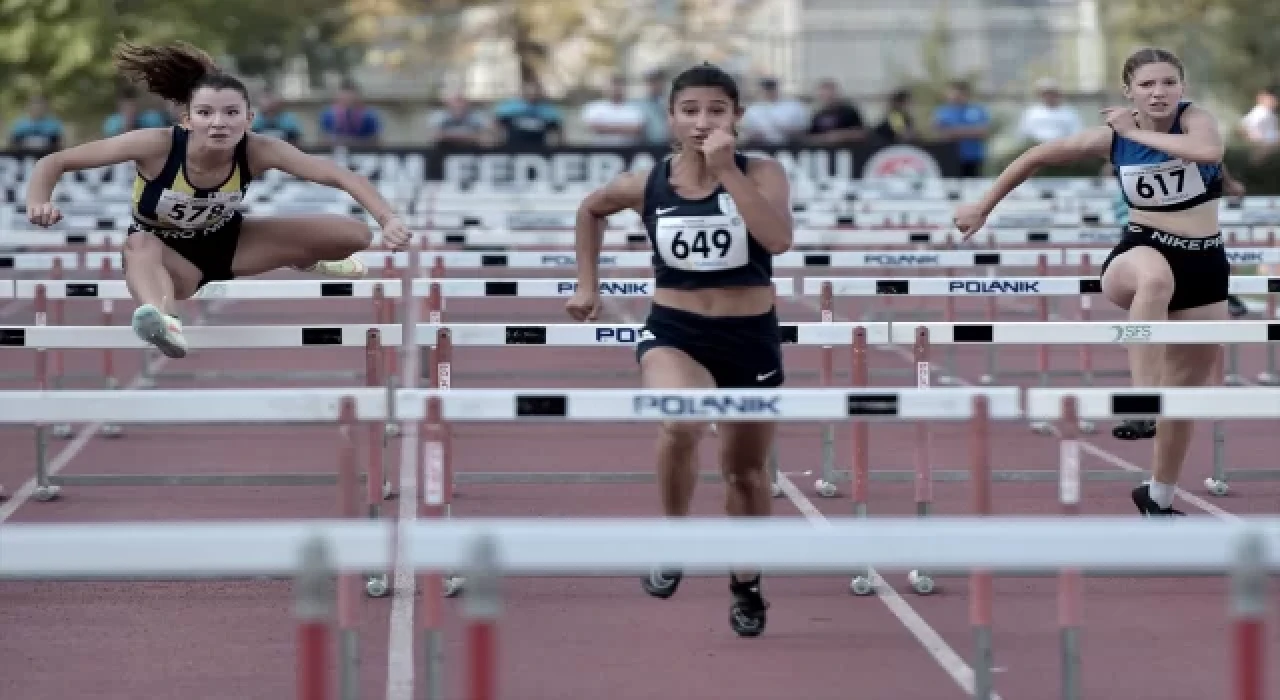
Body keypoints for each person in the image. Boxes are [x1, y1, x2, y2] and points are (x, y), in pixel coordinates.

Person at [565, 63, 793, 636]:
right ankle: (675, 534)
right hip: (676, 334)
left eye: (716, 110)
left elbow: (778, 239)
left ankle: (746, 581)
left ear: (736, 118)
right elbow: (591, 210)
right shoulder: (647, 183)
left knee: (745, 473)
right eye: (690, 110)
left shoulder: (763, 172)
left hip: (750, 337)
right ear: (670, 118)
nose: (702, 121)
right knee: (681, 419)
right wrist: (586, 283)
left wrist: (725, 171)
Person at [954, 47, 1227, 517]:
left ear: (1182, 88)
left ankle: (1157, 495)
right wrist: (983, 205)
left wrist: (1135, 130)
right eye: (1146, 85)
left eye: (1167, 83)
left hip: (1205, 264)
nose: (1158, 92)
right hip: (1142, 251)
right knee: (1155, 278)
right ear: (1128, 92)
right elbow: (1036, 155)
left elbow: (1208, 153)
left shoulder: (1196, 120)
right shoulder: (1111, 139)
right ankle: (1141, 400)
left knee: (1183, 399)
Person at [24, 41, 411, 359]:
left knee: (357, 235)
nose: (219, 123)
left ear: (249, 118)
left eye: (231, 113)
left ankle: (305, 258)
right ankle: (166, 322)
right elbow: (55, 161)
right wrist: (39, 200)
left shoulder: (261, 150)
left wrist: (387, 219)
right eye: (206, 113)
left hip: (228, 242)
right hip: (166, 256)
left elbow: (341, 175)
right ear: (187, 119)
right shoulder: (155, 145)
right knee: (137, 242)